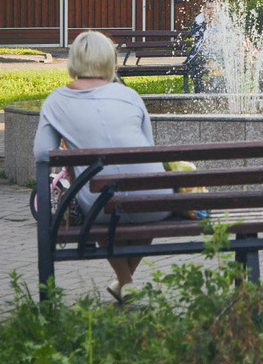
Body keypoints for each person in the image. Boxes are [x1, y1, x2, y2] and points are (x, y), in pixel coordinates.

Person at [33, 30, 171, 304]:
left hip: (101, 207)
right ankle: (126, 282)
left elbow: (41, 154)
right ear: (110, 60)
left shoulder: (56, 100)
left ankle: (126, 281)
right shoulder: (129, 95)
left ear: (74, 61)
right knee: (140, 194)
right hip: (155, 204)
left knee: (96, 198)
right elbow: (148, 147)